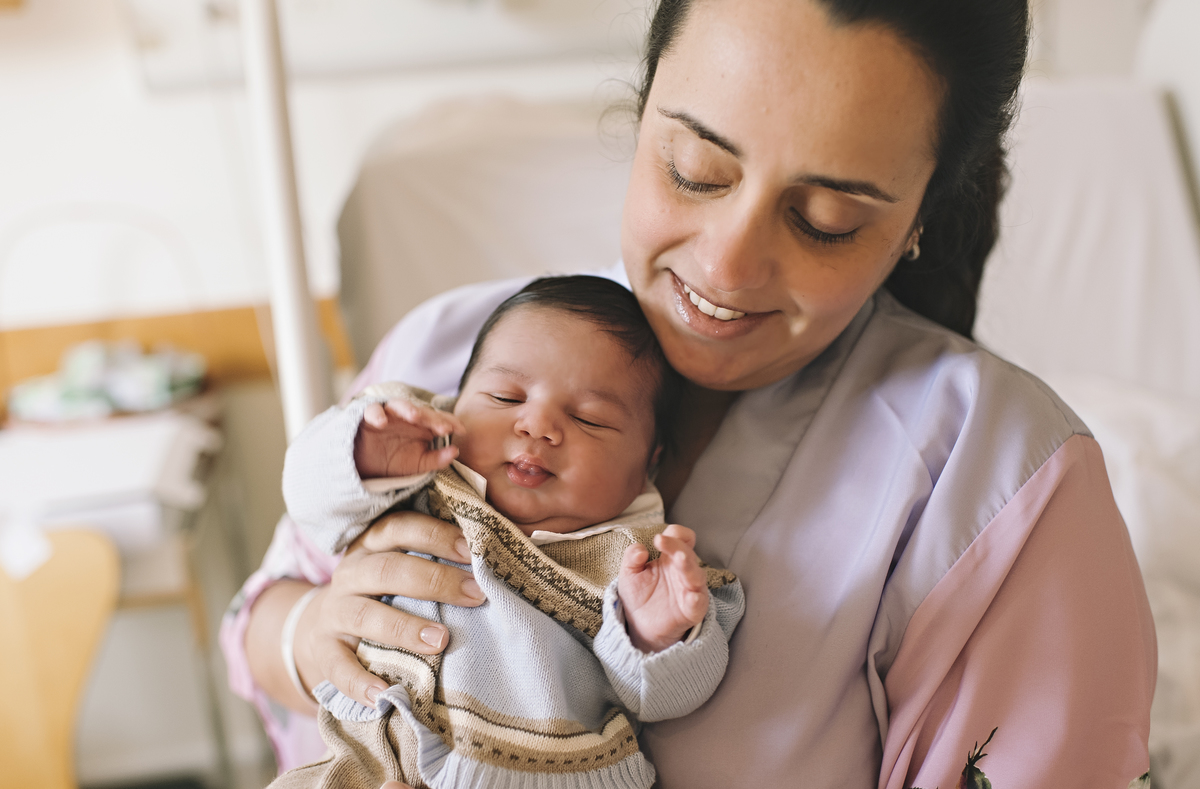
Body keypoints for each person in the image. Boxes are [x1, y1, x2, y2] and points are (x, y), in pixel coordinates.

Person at [222, 0, 1157, 786]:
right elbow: (260, 622)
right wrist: (306, 631)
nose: (727, 264)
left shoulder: (1001, 482)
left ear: (917, 217)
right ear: (642, 110)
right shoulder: (452, 347)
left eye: (827, 221)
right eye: (696, 170)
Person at [269, 276, 743, 788]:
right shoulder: (417, 460)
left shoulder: (633, 563)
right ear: (459, 397)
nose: (537, 426)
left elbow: (666, 698)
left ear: (647, 464)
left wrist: (655, 635)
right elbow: (310, 502)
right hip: (365, 758)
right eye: (504, 395)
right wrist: (361, 454)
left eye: (590, 419)